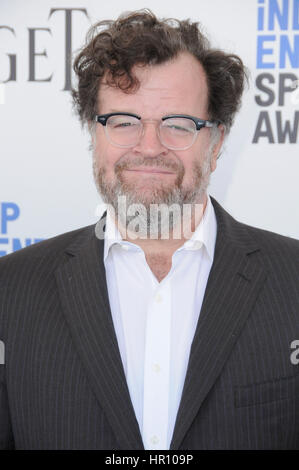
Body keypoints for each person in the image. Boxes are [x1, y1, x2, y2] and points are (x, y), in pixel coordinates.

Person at [0, 9, 298, 450]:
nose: (149, 146)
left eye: (178, 124)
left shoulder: (293, 281)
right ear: (92, 135)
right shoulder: (10, 291)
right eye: (123, 122)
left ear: (215, 143)